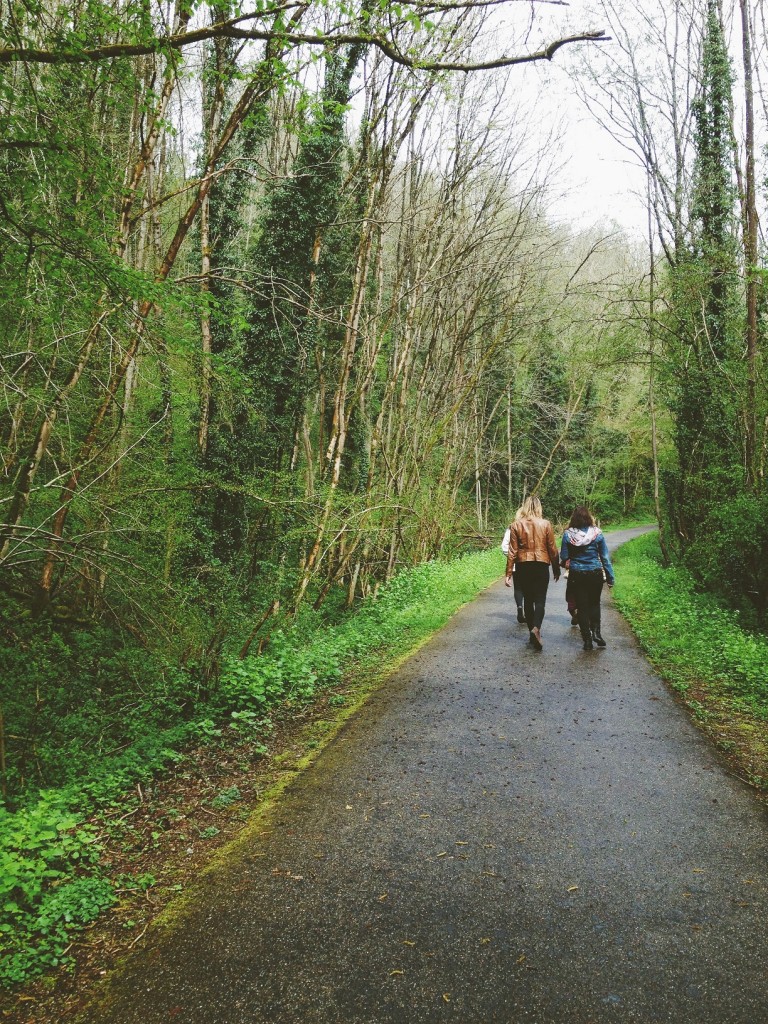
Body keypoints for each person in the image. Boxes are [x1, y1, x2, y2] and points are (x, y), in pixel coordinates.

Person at [504, 495, 560, 651]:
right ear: (539, 507)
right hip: (541, 564)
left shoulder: (515, 525)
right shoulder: (546, 524)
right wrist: (556, 568)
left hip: (523, 565)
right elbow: (552, 549)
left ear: (525, 506)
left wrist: (508, 573)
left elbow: (512, 551)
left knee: (528, 600)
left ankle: (531, 632)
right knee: (540, 599)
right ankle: (536, 629)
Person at [559, 505, 615, 651]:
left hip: (577, 574)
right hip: (595, 573)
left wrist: (572, 556)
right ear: (589, 517)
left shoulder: (568, 535)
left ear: (574, 518)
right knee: (595, 604)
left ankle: (587, 640)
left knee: (582, 607)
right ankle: (597, 633)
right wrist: (610, 577)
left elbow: (564, 557)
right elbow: (605, 558)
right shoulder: (597, 533)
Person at [501, 508, 526, 623]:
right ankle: (528, 610)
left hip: (516, 563)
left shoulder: (511, 528)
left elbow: (504, 546)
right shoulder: (533, 526)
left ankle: (520, 608)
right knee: (530, 588)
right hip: (530, 563)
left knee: (519, 587)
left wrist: (513, 557)